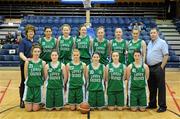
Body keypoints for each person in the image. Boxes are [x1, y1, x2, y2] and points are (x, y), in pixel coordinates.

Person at [146, 28, 169, 112]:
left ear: (157, 33)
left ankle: (162, 106)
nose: (152, 34)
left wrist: (161, 67)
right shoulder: (149, 43)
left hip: (158, 67)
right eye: (151, 33)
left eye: (154, 33)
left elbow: (166, 55)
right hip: (150, 67)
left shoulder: (162, 42)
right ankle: (152, 104)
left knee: (161, 87)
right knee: (151, 87)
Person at [19, 24, 38, 108]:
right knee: (24, 81)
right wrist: (26, 60)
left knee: (34, 82)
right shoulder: (23, 41)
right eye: (29, 31)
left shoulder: (36, 41)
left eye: (32, 31)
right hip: (25, 64)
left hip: (35, 65)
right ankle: (22, 100)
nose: (31, 33)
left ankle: (34, 99)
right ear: (26, 33)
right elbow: (21, 53)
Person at [23, 44, 46, 112]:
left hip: (38, 86)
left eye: (38, 51)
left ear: (40, 52)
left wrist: (41, 83)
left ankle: (41, 102)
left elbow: (44, 76)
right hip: (29, 86)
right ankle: (32, 102)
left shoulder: (43, 63)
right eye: (35, 51)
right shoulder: (28, 62)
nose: (37, 53)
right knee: (28, 109)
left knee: (35, 109)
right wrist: (28, 82)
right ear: (32, 52)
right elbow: (26, 75)